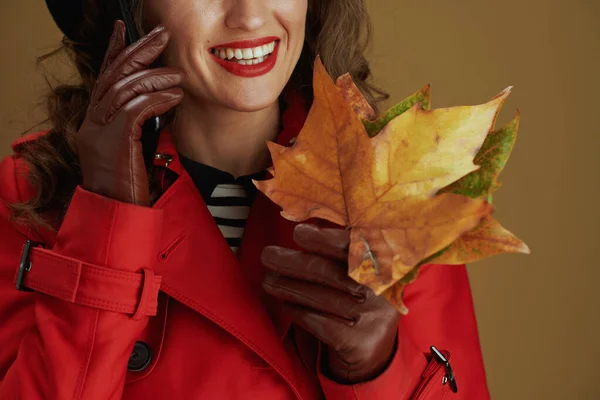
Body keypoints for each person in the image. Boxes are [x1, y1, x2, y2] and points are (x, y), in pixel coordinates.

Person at [0, 0, 490, 399]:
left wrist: (374, 369)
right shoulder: (26, 198)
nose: (250, 16)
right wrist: (107, 221)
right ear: (133, 9)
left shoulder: (394, 185)